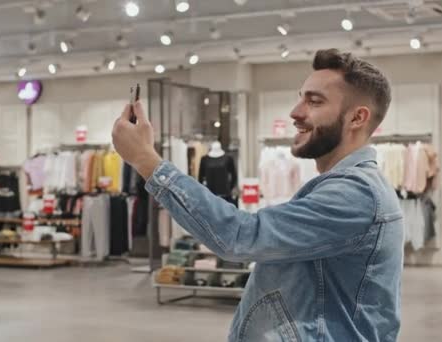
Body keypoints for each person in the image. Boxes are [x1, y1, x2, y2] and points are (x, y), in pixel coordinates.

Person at [112, 49, 403, 342]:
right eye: (301, 97)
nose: (295, 112)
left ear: (357, 118)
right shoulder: (345, 186)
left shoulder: (357, 193)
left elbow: (241, 236)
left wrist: (147, 161)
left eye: (314, 101)